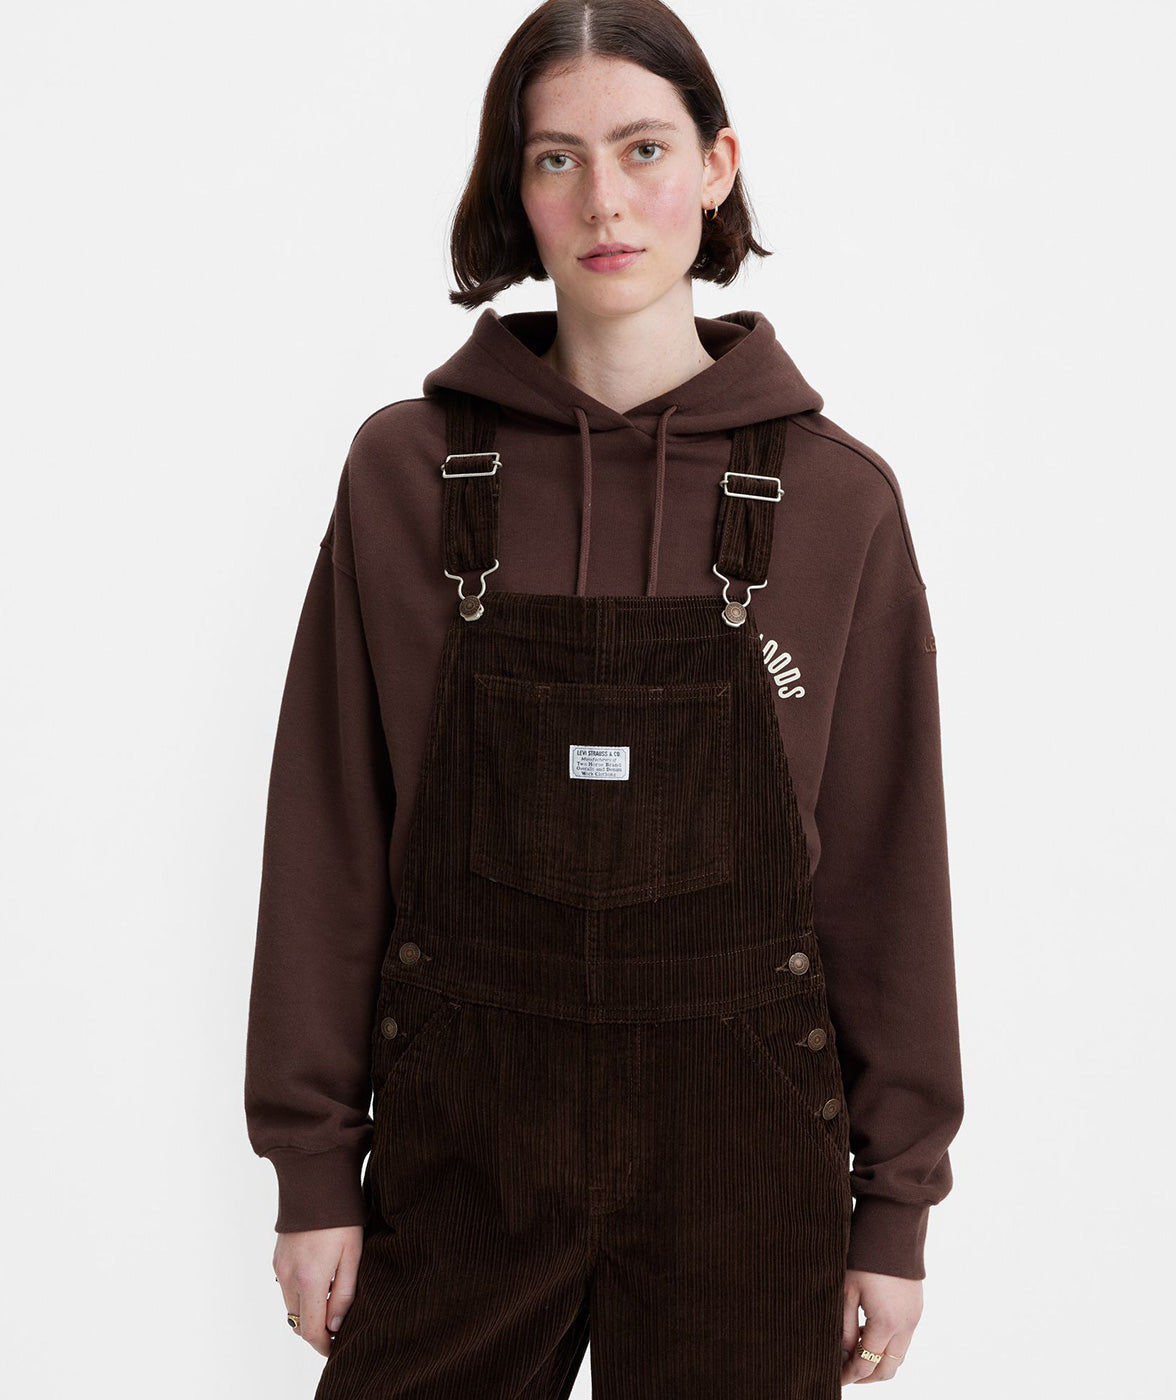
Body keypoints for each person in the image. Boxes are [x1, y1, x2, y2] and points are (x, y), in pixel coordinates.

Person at [243, 1, 964, 1394]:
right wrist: (313, 1168)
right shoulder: (404, 473)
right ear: (514, 190)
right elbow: (329, 830)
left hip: (746, 1159)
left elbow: (885, 871)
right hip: (465, 1149)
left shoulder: (838, 501)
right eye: (556, 159)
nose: (605, 202)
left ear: (718, 164)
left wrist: (897, 1205)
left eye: (644, 148)